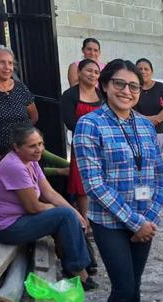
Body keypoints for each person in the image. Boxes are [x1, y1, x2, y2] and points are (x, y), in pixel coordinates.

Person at [74, 59, 163, 302]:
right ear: (104, 85)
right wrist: (133, 222)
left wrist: (149, 219)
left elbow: (160, 175)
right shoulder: (89, 125)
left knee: (135, 284)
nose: (126, 91)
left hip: (144, 221)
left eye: (133, 86)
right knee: (124, 285)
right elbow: (94, 185)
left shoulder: (145, 126)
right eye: (119, 83)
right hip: (110, 222)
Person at [0, 125, 95, 289]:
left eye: (41, 144)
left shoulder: (31, 161)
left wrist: (75, 212)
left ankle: (81, 265)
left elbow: (49, 192)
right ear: (16, 147)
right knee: (64, 216)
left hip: (19, 219)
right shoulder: (14, 166)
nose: (39, 149)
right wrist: (63, 211)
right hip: (5, 228)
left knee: (68, 214)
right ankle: (78, 271)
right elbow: (33, 208)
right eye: (32, 146)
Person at [0, 45, 39, 163]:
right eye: (2, 62)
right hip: (4, 152)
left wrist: (23, 134)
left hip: (27, 148)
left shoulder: (21, 88)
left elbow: (34, 116)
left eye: (10, 63)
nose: (7, 67)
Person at [60, 58, 103, 221]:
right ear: (79, 72)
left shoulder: (102, 95)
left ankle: (100, 218)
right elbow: (70, 122)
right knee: (81, 182)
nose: (93, 75)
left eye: (96, 72)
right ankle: (85, 220)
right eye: (89, 71)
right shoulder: (69, 95)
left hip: (101, 144)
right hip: (81, 144)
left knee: (101, 179)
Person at [134, 58, 163, 150]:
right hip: (137, 131)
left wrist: (156, 120)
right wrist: (146, 120)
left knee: (156, 158)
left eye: (146, 69)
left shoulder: (162, 87)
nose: (143, 71)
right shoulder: (132, 87)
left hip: (157, 132)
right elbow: (129, 109)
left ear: (152, 72)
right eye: (140, 69)